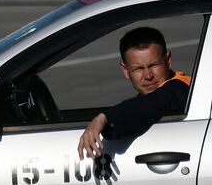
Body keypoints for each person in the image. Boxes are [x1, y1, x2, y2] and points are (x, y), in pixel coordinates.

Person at [76, 26, 190, 158]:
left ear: (168, 61)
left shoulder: (181, 88)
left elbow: (154, 103)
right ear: (125, 70)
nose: (148, 75)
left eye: (154, 65)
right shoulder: (144, 100)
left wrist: (104, 118)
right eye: (139, 69)